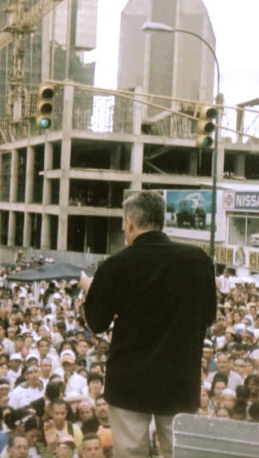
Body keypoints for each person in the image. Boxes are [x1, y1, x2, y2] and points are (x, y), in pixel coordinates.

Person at [80, 191, 216, 458]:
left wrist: (90, 290)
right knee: (181, 453)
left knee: (131, 453)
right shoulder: (198, 261)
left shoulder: (115, 265)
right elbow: (208, 315)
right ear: (162, 223)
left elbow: (95, 323)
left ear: (130, 222)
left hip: (129, 383)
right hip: (179, 380)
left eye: (123, 224)